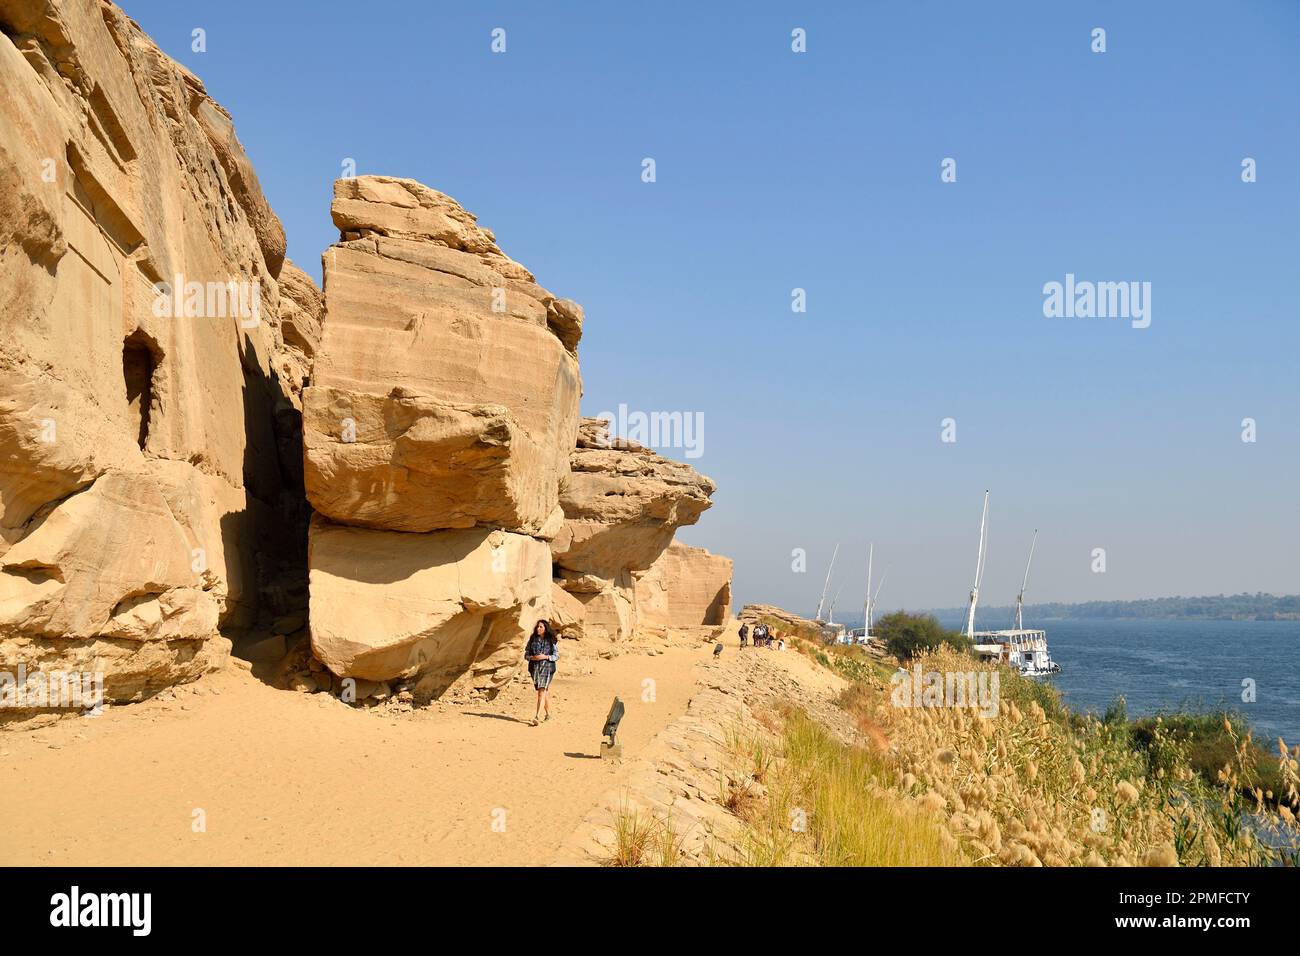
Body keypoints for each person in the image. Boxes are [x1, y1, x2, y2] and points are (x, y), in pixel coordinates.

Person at [524, 619, 559, 726]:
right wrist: (533, 658)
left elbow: (556, 655)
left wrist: (546, 656)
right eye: (537, 627)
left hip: (547, 668)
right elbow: (526, 655)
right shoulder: (532, 640)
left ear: (545, 629)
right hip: (535, 669)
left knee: (541, 692)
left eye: (541, 627)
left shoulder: (551, 641)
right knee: (543, 692)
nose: (538, 629)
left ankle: (537, 717)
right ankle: (548, 715)